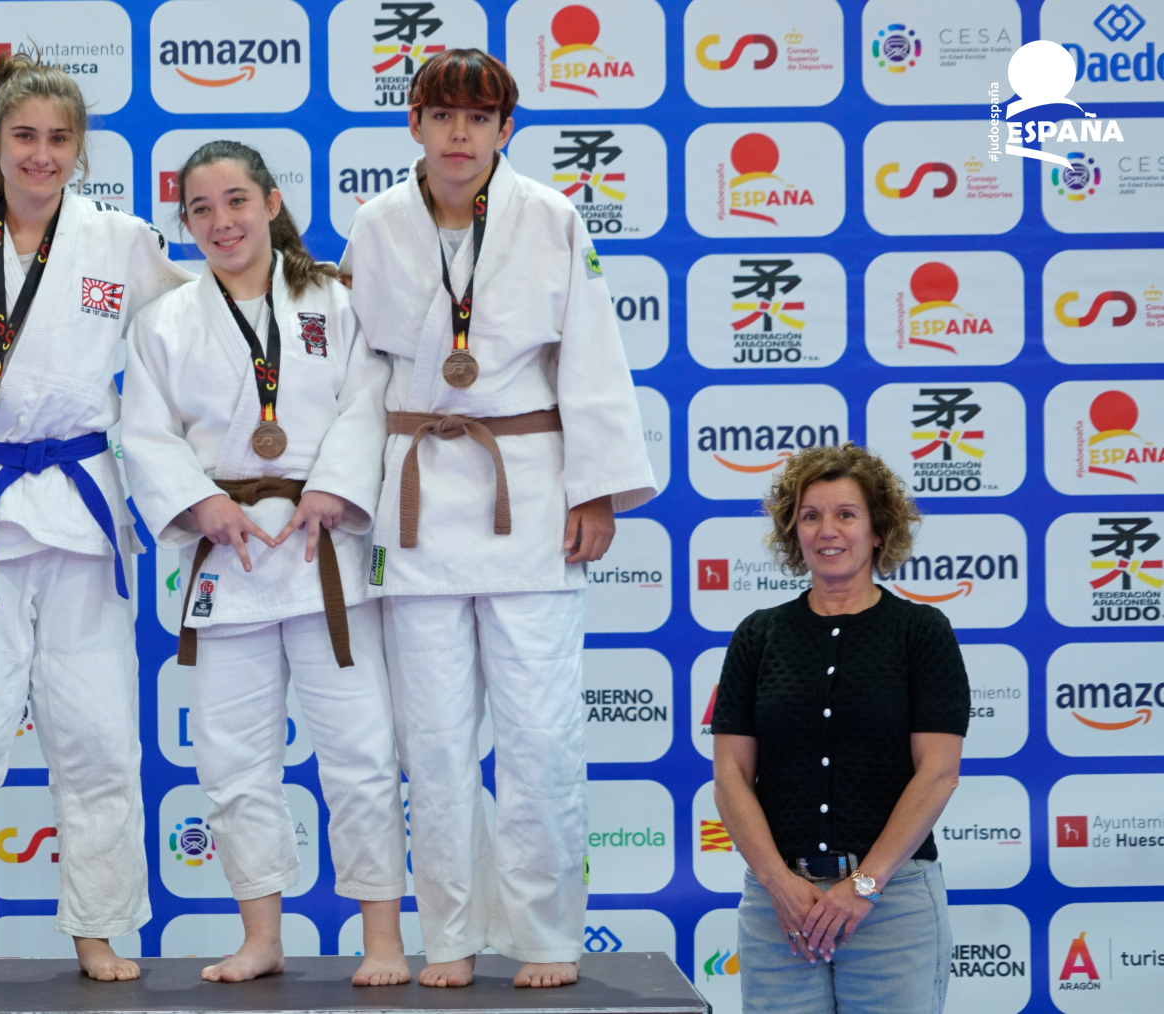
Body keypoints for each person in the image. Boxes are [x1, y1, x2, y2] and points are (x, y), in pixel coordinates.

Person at [339, 48, 656, 989]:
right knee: (433, 746)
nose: (460, 134)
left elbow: (592, 356)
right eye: (442, 115)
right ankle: (449, 933)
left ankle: (547, 933)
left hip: (527, 494)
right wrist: (346, 493)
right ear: (414, 124)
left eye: (479, 118)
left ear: (506, 129)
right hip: (417, 505)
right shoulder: (376, 224)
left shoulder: (552, 217)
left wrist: (595, 488)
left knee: (540, 736)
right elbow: (356, 377)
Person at [0, 53, 193, 984]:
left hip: (82, 502)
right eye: (24, 136)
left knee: (97, 733)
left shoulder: (121, 240)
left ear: (80, 149)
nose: (41, 154)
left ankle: (98, 927)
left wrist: (298, 279)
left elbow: (200, 331)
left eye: (60, 139)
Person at [123, 141, 407, 986]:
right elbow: (146, 435)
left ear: (273, 204)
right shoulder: (164, 322)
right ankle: (261, 937)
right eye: (201, 209)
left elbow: (370, 401)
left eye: (237, 201)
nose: (222, 221)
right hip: (230, 554)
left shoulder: (333, 300)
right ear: (185, 224)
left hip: (326, 554)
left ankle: (383, 940)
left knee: (360, 753)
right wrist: (198, 502)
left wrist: (335, 486)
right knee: (231, 759)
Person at [711, 443, 967, 1014]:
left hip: (892, 905)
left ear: (877, 530)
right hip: (781, 910)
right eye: (810, 516)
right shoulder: (758, 635)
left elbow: (938, 774)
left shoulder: (921, 632)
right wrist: (778, 884)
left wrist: (864, 887)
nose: (827, 530)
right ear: (793, 532)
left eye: (846, 514)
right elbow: (729, 777)